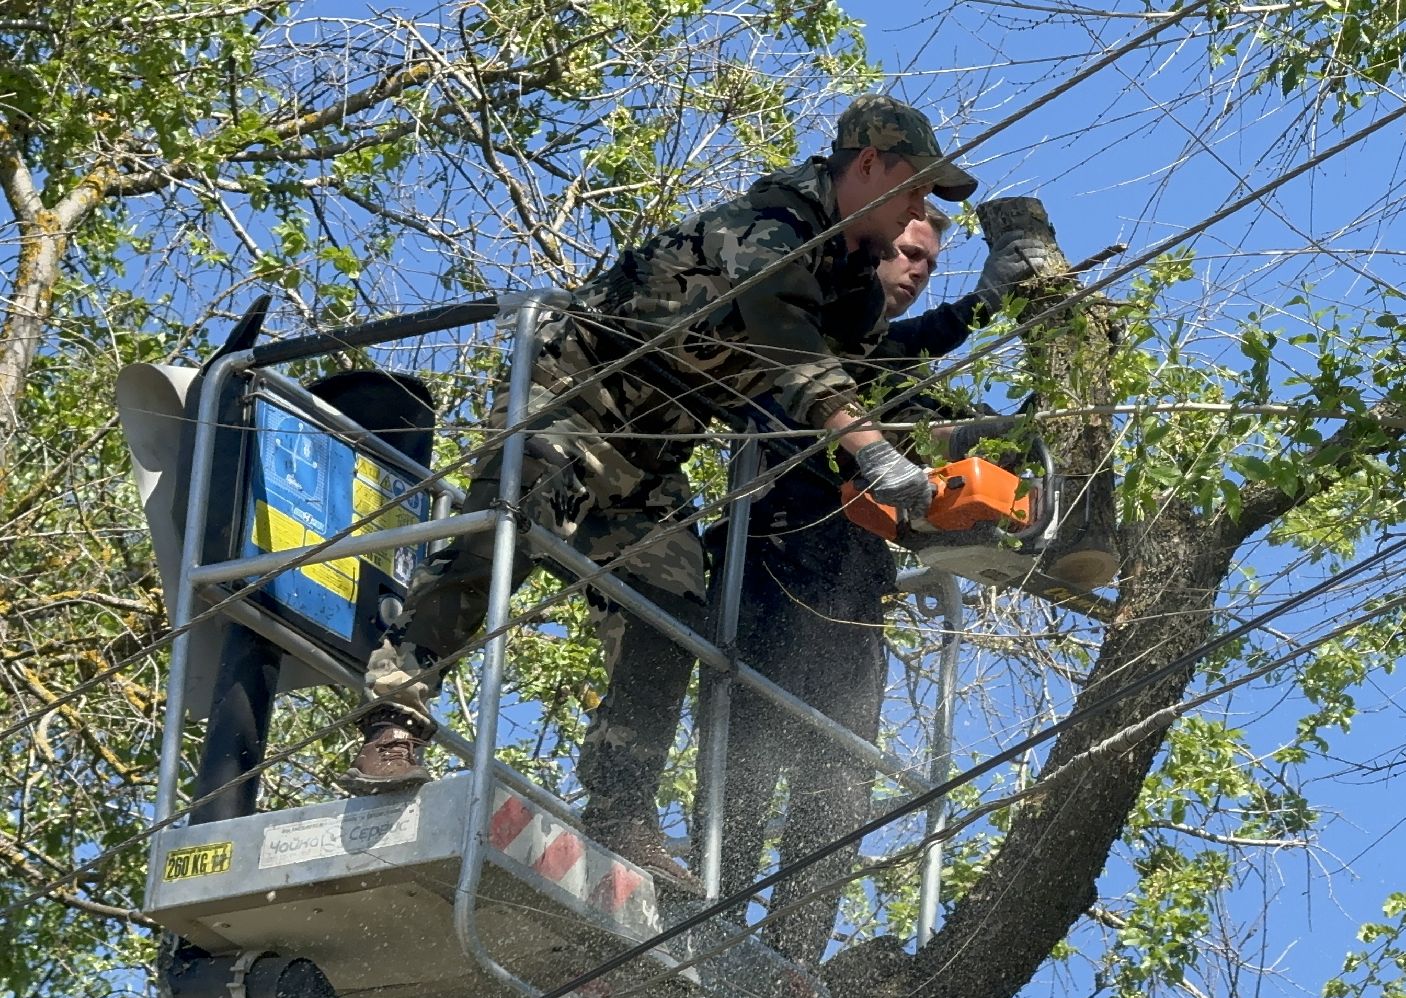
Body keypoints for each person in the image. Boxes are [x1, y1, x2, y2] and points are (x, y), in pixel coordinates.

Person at [341, 95, 980, 889]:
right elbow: (796, 353)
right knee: (507, 529)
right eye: (916, 188)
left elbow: (877, 368)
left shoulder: (843, 274)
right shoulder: (768, 229)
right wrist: (874, 454)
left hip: (652, 454)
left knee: (672, 608)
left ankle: (619, 809)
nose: (920, 210)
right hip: (580, 400)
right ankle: (394, 714)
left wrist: (980, 356)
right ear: (870, 166)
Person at [687, 206, 1045, 963]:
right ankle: (705, 932)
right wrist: (977, 308)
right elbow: (883, 369)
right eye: (908, 254)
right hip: (773, 568)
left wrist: (1029, 437)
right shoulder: (804, 340)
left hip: (855, 590)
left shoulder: (887, 365)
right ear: (870, 253)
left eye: (929, 263)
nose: (917, 270)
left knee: (840, 783)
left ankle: (791, 962)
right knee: (745, 764)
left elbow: (932, 408)